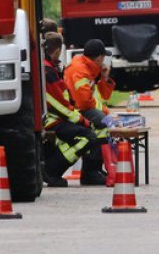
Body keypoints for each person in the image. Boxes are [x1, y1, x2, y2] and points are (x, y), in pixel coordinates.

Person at [41, 32, 106, 187]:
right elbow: (61, 104)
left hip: (57, 117)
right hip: (52, 119)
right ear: (57, 51)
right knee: (86, 137)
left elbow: (65, 101)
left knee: (91, 130)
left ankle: (91, 172)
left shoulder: (50, 68)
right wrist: (81, 120)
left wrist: (105, 79)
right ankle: (51, 171)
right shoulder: (49, 71)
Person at [64, 38, 118, 186]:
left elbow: (105, 96)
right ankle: (90, 172)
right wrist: (104, 114)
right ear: (100, 58)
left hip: (81, 110)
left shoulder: (90, 69)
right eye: (103, 58)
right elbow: (84, 102)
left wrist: (105, 78)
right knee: (101, 124)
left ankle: (96, 170)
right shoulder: (80, 71)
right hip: (74, 112)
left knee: (103, 120)